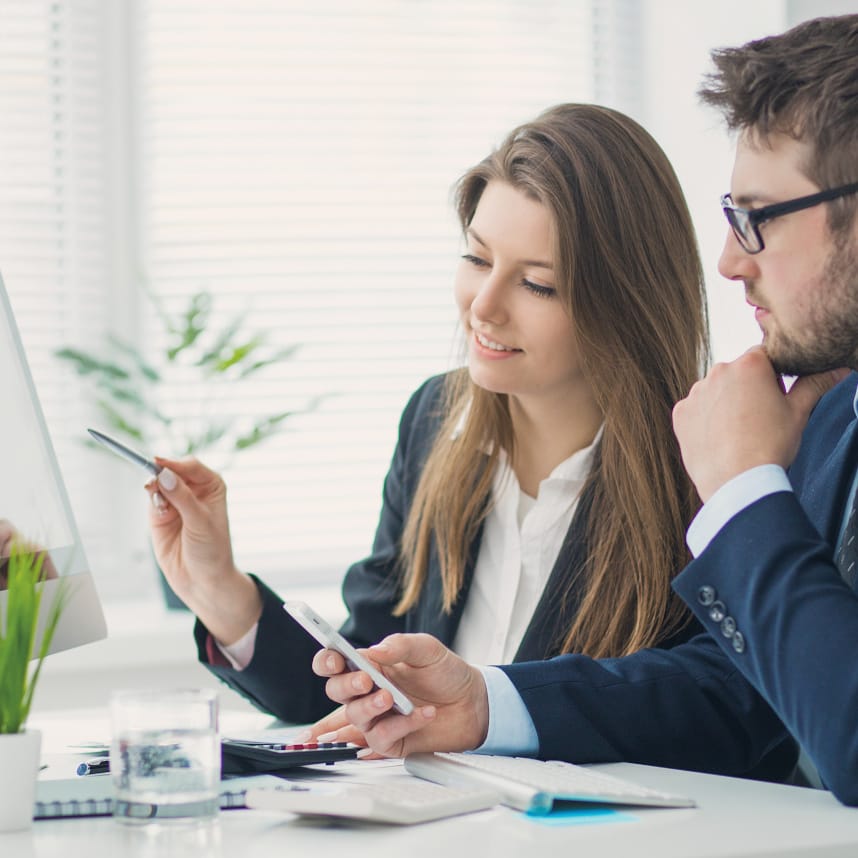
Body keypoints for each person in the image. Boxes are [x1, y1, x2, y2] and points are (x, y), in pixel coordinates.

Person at [309, 14, 858, 801]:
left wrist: (740, 491)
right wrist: (483, 700)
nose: (730, 262)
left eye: (758, 218)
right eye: (475, 257)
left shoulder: (730, 448)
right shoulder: (832, 416)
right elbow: (746, 688)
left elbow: (773, 727)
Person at [145, 104, 716, 732]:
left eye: (537, 285)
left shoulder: (703, 463)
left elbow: (722, 711)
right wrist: (220, 588)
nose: (485, 307)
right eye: (477, 259)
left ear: (628, 302)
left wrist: (490, 710)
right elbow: (360, 687)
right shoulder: (435, 420)